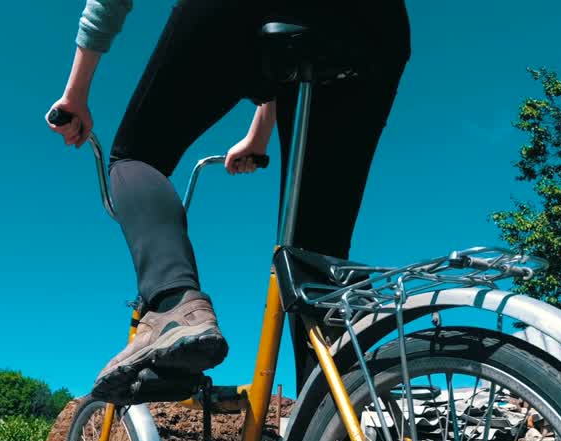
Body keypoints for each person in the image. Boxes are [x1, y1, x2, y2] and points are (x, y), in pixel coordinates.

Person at [48, 0, 410, 401]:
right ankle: (332, 439)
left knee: (136, 157)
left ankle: (173, 304)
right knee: (315, 260)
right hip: (377, 26)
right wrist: (259, 133)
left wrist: (75, 94)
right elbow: (290, 45)